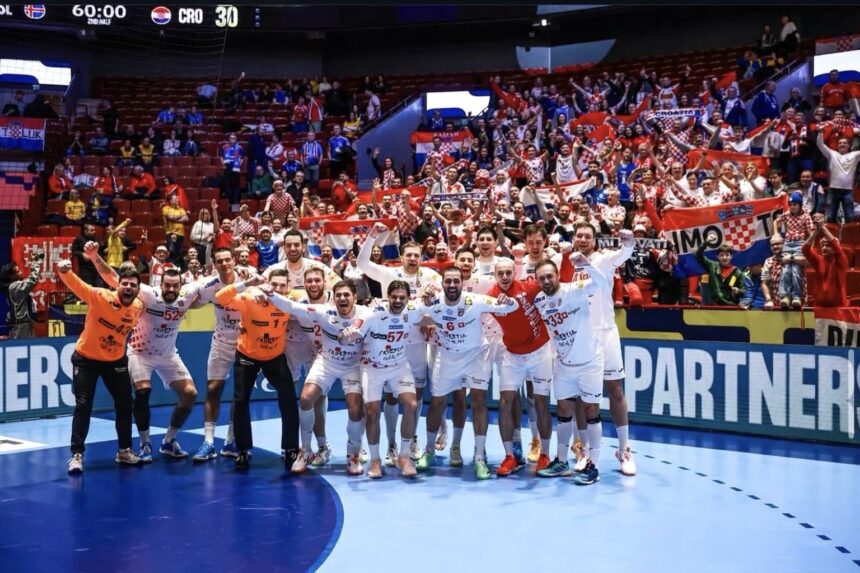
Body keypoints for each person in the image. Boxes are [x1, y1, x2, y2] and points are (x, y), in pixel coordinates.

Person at [88, 247, 201, 462]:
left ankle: (169, 441)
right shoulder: (148, 294)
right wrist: (94, 256)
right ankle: (145, 442)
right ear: (160, 285)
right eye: (167, 285)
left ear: (180, 287)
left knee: (190, 393)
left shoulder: (186, 296)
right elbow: (112, 277)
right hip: (139, 353)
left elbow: (214, 283)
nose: (171, 289)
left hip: (168, 355)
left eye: (175, 286)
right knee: (143, 391)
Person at [415, 266, 519, 480]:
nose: (452, 285)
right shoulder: (434, 303)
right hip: (447, 356)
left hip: (476, 355)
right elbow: (413, 317)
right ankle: (429, 450)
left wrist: (508, 301)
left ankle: (479, 457)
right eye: (448, 281)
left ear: (462, 283)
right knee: (437, 402)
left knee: (479, 401)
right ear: (442, 283)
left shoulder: (475, 300)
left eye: (456, 281)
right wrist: (421, 301)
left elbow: (510, 308)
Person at [268, 279, 370, 476]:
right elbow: (292, 306)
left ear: (355, 297)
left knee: (356, 409)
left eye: (346, 295)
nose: (342, 298)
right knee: (306, 398)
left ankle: (353, 455)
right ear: (334, 299)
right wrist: (270, 294)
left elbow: (393, 311)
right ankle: (305, 451)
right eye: (338, 295)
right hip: (327, 363)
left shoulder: (367, 314)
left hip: (353, 366)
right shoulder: (324, 312)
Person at [358, 225, 442, 457]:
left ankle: (411, 438)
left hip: (417, 345)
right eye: (409, 255)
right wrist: (372, 235)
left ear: (421, 257)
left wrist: (432, 317)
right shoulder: (390, 274)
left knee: (416, 395)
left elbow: (443, 303)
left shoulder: (432, 277)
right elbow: (362, 263)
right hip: (390, 346)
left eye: (416, 255)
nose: (413, 259)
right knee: (391, 397)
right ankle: (391, 443)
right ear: (402, 257)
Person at [560, 224, 637, 475]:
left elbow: (623, 254)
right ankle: (583, 450)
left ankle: (624, 449)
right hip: (579, 336)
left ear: (594, 240)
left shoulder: (604, 259)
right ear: (574, 238)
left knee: (615, 389)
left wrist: (628, 243)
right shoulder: (567, 261)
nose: (583, 239)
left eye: (587, 236)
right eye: (579, 235)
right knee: (582, 396)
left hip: (605, 332)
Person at [56, 257, 143, 474]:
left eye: (133, 285)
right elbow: (79, 287)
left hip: (115, 361)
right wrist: (65, 272)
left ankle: (124, 451)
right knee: (83, 405)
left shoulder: (138, 307)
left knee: (125, 403)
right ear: (117, 285)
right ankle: (77, 455)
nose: (129, 287)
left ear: (137, 290)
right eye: (125, 283)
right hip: (86, 359)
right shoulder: (101, 297)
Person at [214, 270, 300, 470]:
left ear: (288, 287)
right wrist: (248, 285)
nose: (278, 289)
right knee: (240, 402)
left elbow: (315, 295)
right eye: (274, 284)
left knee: (289, 399)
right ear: (267, 284)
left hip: (275, 357)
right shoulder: (250, 299)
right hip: (247, 356)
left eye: (282, 285)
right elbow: (220, 298)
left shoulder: (290, 301)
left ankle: (291, 448)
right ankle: (243, 450)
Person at [338, 281, 423, 478]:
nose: (398, 301)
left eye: (402, 297)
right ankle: (375, 459)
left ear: (408, 299)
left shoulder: (412, 311)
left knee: (411, 405)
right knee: (372, 412)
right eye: (394, 297)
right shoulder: (373, 314)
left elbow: (429, 317)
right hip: (372, 368)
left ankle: (404, 457)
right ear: (388, 297)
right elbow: (347, 336)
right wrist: (346, 335)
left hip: (399, 366)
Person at [532, 256, 602, 486]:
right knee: (563, 409)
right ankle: (561, 461)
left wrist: (587, 265)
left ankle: (594, 465)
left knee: (591, 410)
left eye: (549, 276)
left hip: (589, 362)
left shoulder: (576, 290)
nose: (546, 281)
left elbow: (601, 283)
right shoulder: (539, 300)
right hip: (563, 364)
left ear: (558, 276)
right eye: (541, 278)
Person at [486, 257, 555, 476]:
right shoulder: (489, 297)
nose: (505, 277)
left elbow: (555, 286)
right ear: (495, 275)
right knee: (505, 403)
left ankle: (545, 455)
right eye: (501, 273)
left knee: (541, 402)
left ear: (514, 273)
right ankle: (510, 456)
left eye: (508, 272)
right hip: (513, 355)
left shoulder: (530, 287)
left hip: (540, 351)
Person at [775, 191, 813, 309]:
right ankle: (785, 296)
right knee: (786, 270)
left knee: (796, 271)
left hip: (799, 244)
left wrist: (809, 246)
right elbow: (776, 221)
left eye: (795, 204)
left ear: (800, 205)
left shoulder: (806, 216)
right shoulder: (786, 215)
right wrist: (776, 234)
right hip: (787, 244)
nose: (792, 207)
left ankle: (797, 296)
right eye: (791, 205)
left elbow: (811, 232)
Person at [802, 214, 848, 307]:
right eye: (822, 245)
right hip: (819, 307)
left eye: (827, 245)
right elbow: (805, 250)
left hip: (838, 307)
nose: (823, 248)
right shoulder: (819, 260)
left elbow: (836, 246)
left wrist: (822, 227)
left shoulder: (841, 260)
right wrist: (816, 232)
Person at [817, 134, 860, 223]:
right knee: (830, 217)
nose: (842, 144)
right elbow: (820, 144)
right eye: (840, 143)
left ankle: (848, 233)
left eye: (844, 143)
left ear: (849, 146)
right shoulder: (832, 154)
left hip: (847, 191)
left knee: (849, 217)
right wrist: (820, 132)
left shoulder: (855, 155)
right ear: (837, 146)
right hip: (833, 191)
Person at [695, 234, 745, 306]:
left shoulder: (737, 272)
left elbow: (743, 291)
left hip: (730, 306)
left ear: (731, 256)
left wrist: (738, 291)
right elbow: (697, 255)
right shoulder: (712, 265)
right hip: (713, 305)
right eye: (721, 255)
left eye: (727, 255)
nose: (724, 257)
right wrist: (706, 242)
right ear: (717, 256)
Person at [0, 256, 41, 339]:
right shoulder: (14, 287)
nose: (21, 272)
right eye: (18, 271)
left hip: (24, 324)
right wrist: (36, 262)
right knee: (23, 345)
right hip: (21, 327)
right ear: (11, 276)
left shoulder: (11, 287)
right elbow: (32, 280)